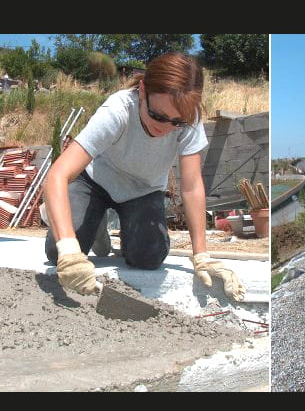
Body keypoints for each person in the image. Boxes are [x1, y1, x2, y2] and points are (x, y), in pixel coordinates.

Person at [43, 51, 245, 301]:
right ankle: (93, 225)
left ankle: (110, 227)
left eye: (176, 122)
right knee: (56, 252)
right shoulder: (118, 110)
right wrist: (69, 249)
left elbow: (192, 187)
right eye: (158, 116)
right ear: (142, 90)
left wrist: (201, 256)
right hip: (96, 183)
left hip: (143, 190)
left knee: (148, 257)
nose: (165, 128)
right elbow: (57, 175)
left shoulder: (190, 119)